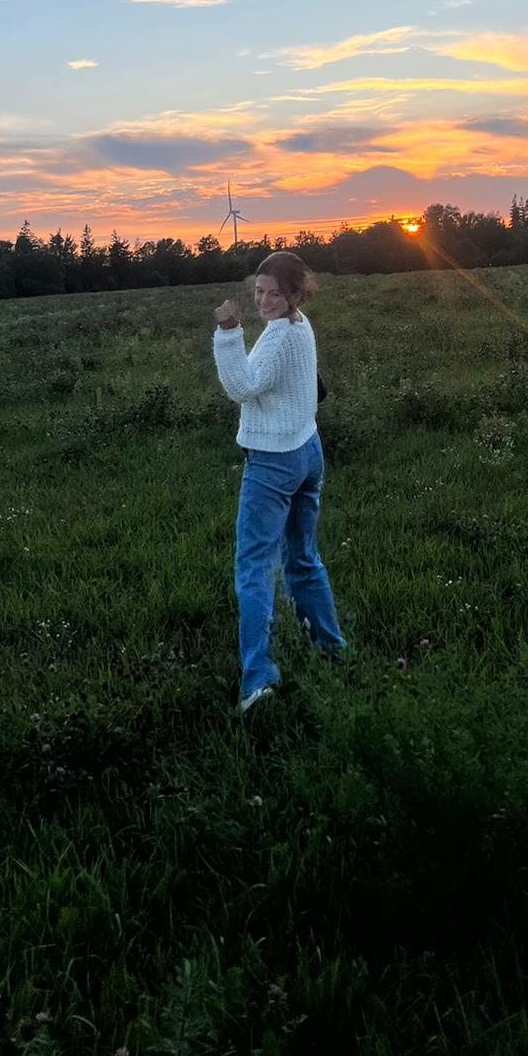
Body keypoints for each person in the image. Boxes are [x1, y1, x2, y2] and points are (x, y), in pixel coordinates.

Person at [212, 251, 347, 711]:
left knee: (252, 568)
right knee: (303, 559)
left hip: (273, 462)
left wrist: (229, 336)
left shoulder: (276, 336)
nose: (264, 301)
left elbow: (242, 387)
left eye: (274, 293)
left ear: (295, 294)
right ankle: (332, 650)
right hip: (308, 451)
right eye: (258, 291)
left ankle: (257, 681)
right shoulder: (300, 324)